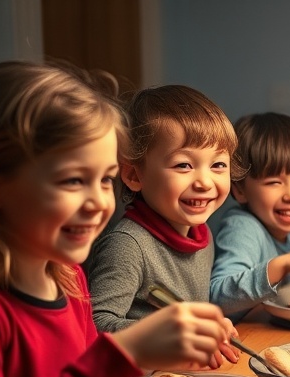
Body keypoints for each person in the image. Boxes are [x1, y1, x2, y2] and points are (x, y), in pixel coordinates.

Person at [0, 61, 233, 377]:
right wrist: (129, 350)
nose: (100, 202)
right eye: (73, 180)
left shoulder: (71, 281)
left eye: (104, 180)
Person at [86, 84, 242, 353]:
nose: (205, 181)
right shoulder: (128, 245)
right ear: (134, 176)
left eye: (218, 164)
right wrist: (167, 332)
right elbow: (94, 326)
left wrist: (208, 327)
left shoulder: (200, 234)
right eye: (183, 165)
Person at [210, 112, 290, 321]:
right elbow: (218, 298)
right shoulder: (242, 227)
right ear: (240, 190)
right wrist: (281, 265)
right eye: (274, 182)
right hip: (242, 339)